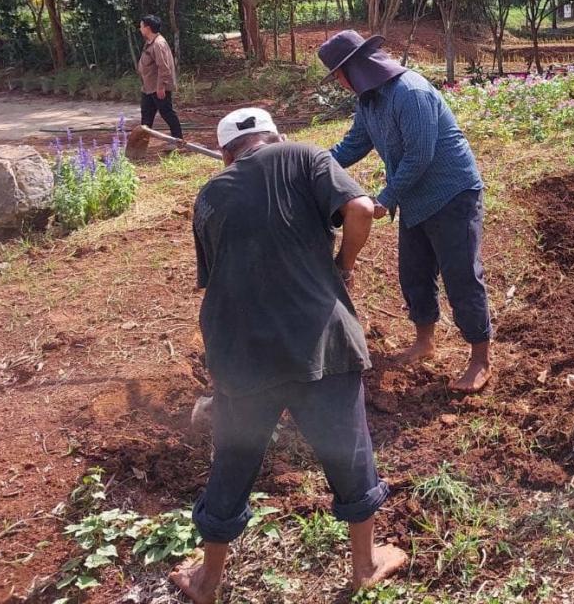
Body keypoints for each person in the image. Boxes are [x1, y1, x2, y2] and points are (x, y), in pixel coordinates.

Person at [174, 108, 405, 604]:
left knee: (233, 459)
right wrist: (343, 265)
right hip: (318, 339)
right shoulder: (304, 155)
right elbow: (362, 209)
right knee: (348, 450)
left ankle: (208, 582)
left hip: (240, 352)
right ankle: (364, 566)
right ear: (275, 136)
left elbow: (214, 278)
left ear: (224, 154)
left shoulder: (210, 194)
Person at [318, 30, 492, 393]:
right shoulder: (369, 102)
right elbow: (353, 145)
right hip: (415, 199)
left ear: (354, 69)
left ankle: (480, 359)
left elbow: (420, 155)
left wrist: (386, 197)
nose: (339, 83)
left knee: (460, 275)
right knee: (414, 273)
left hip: (451, 193)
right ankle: (425, 341)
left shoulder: (409, 93)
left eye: (338, 75)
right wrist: (311, 167)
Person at [137, 15, 183, 139]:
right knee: (146, 116)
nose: (140, 29)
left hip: (157, 87)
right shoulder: (149, 43)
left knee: (167, 113)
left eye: (141, 26)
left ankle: (178, 139)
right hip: (148, 87)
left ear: (148, 28)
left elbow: (164, 67)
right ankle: (141, 144)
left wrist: (161, 87)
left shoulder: (159, 44)